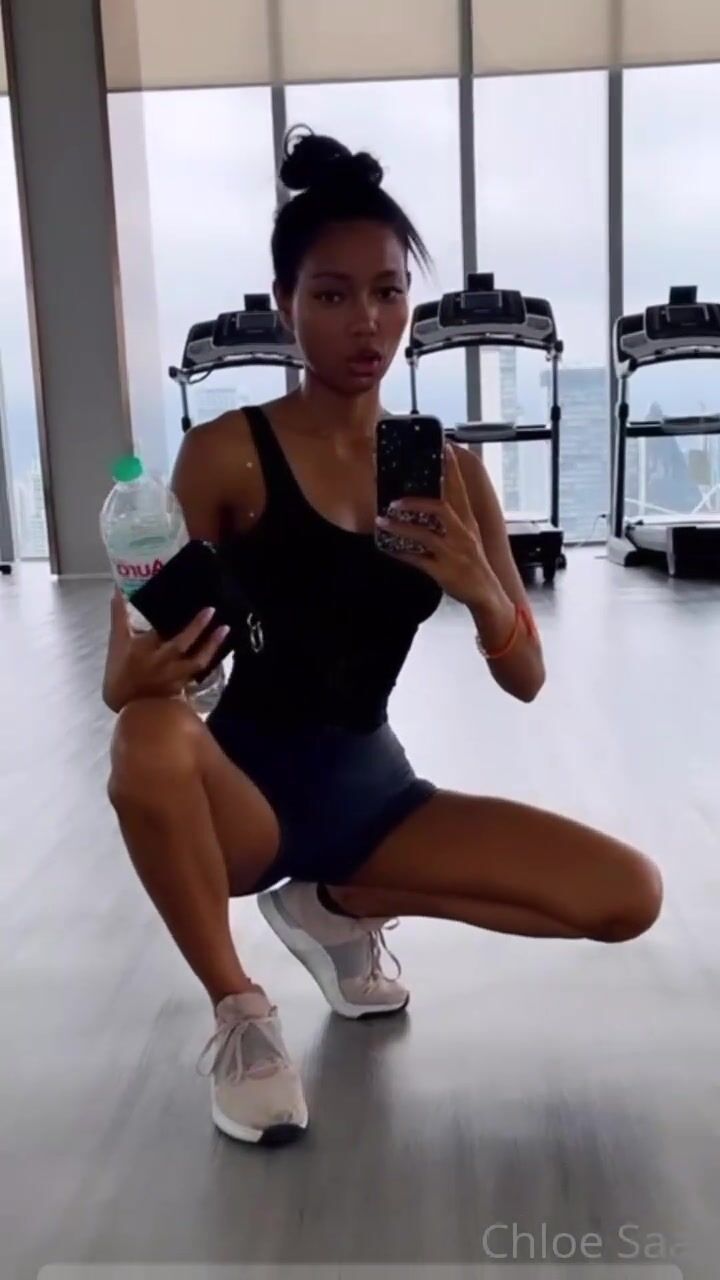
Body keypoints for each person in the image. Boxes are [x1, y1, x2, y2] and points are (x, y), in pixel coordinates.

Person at [104, 127, 663, 1148]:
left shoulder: (448, 467)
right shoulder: (225, 454)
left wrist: (477, 585)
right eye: (332, 294)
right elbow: (123, 672)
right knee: (143, 734)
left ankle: (336, 904)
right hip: (243, 804)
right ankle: (241, 1013)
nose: (366, 320)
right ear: (286, 301)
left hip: (376, 795)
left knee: (628, 895)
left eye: (388, 291)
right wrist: (148, 668)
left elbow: (527, 676)